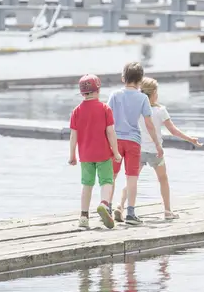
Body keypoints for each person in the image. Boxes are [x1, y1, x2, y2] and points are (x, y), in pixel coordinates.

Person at [137, 77, 201, 221]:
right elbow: (173, 131)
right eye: (156, 92)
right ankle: (167, 211)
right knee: (163, 180)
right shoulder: (160, 110)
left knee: (132, 179)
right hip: (156, 152)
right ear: (153, 93)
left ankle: (121, 207)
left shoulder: (137, 110)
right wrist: (190, 139)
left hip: (139, 151)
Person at [107, 61, 162, 226]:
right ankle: (130, 213)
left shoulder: (115, 95)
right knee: (132, 178)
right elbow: (149, 124)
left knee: (112, 176)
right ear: (140, 81)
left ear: (123, 78)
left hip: (115, 141)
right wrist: (157, 144)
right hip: (133, 141)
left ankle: (108, 209)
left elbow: (107, 119)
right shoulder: (143, 98)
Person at [69, 74, 122, 230]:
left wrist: (72, 155)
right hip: (104, 154)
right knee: (106, 181)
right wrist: (116, 152)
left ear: (82, 93)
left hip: (85, 155)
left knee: (87, 185)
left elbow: (73, 135)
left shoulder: (76, 111)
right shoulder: (105, 108)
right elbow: (111, 132)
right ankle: (104, 204)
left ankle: (84, 217)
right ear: (98, 90)